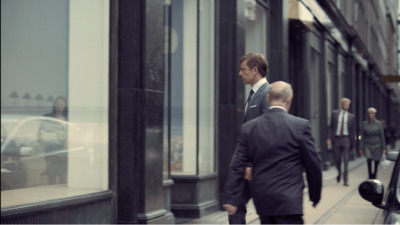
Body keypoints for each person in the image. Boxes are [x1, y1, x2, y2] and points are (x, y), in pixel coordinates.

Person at [223, 81, 322, 224]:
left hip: (263, 200)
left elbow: (237, 164)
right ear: (290, 99)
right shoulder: (300, 126)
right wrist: (315, 195)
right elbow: (313, 165)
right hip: (290, 201)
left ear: (268, 99)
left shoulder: (250, 127)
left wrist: (231, 198)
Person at [229, 53, 270, 224]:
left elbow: (267, 132)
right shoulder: (254, 93)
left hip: (256, 166)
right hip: (248, 164)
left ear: (255, 70)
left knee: (265, 211)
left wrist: (251, 164)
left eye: (243, 70)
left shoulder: (266, 93)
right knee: (236, 204)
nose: (240, 73)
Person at [37, 96, 69, 184]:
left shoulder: (68, 119)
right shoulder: (47, 117)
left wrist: (68, 140)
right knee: (51, 175)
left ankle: (64, 195)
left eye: (62, 104)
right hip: (50, 148)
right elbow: (39, 135)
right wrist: (43, 139)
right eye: (57, 104)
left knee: (62, 175)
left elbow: (75, 132)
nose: (59, 106)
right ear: (54, 105)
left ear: (65, 106)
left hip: (63, 149)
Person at [326, 98, 356, 186]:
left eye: (348, 104)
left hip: (346, 139)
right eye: (345, 104)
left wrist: (353, 144)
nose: (347, 106)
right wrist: (328, 138)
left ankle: (345, 180)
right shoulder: (334, 114)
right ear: (342, 105)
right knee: (337, 159)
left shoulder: (351, 117)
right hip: (336, 139)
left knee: (346, 160)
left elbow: (353, 131)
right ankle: (339, 172)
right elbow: (330, 127)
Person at [359, 107, 386, 179]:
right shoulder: (364, 124)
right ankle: (370, 175)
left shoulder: (379, 123)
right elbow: (362, 137)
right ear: (368, 114)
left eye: (372, 113)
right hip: (367, 144)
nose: (371, 115)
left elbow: (382, 136)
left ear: (374, 114)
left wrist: (383, 148)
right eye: (370, 113)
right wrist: (361, 148)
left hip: (377, 145)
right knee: (369, 159)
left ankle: (375, 175)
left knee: (377, 161)